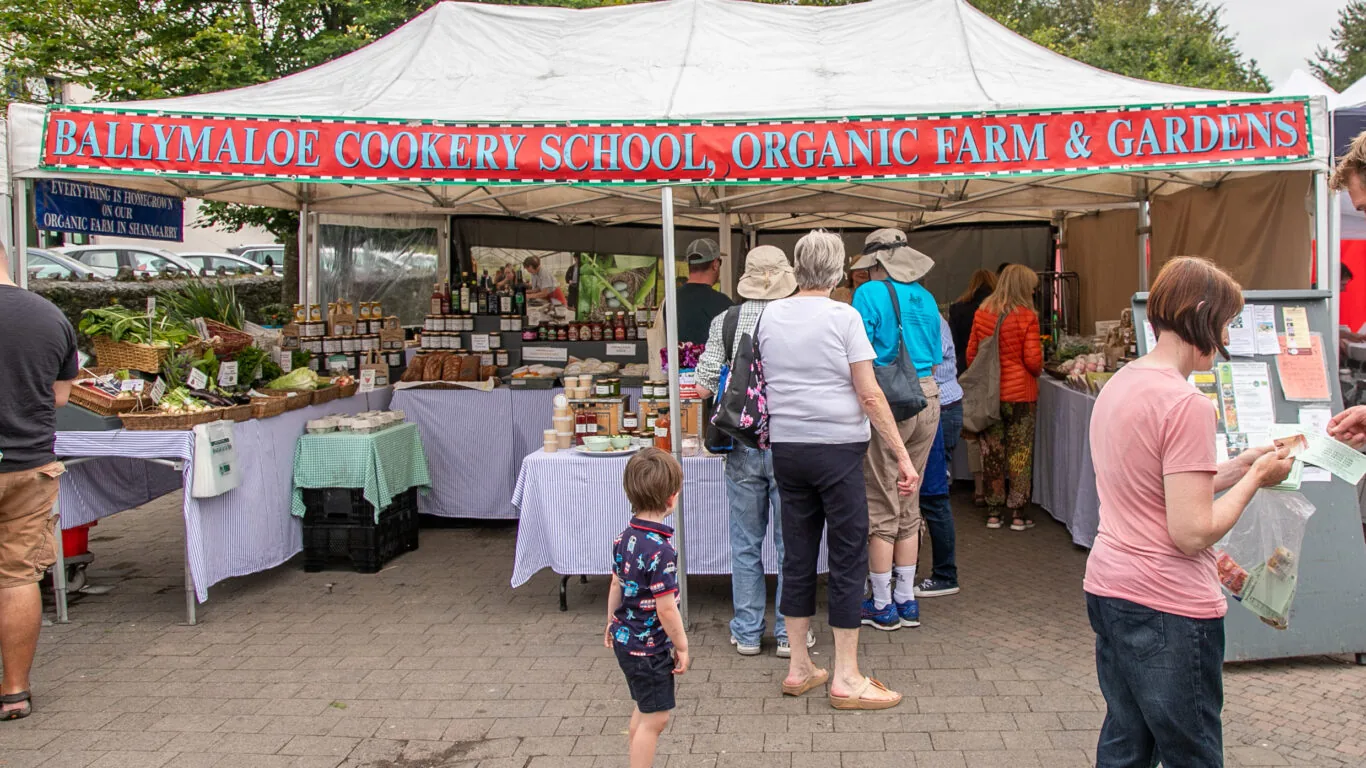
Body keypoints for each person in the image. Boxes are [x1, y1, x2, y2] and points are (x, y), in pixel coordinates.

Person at [1084, 256, 1293, 767]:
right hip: (1168, 606)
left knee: (1125, 742)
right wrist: (1254, 480)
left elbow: (1157, 483)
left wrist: (1236, 465)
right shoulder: (1186, 404)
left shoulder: (1123, 383)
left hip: (1111, 587)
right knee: (1192, 752)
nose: (1224, 337)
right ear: (1201, 315)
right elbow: (1192, 531)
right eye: (1223, 323)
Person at [758, 230, 917, 711]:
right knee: (848, 556)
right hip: (838, 449)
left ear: (798, 266)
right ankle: (846, 676)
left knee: (797, 554)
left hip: (787, 448)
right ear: (836, 271)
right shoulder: (843, 316)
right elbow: (869, 394)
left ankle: (799, 666)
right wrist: (901, 455)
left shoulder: (770, 313)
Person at [695, 245, 805, 658]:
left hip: (741, 444)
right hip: (789, 441)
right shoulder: (797, 318)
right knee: (790, 544)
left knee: (745, 542)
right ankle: (785, 636)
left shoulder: (726, 320)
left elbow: (704, 387)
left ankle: (745, 632)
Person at [0, 243, 79, 721]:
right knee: (17, 577)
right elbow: (61, 396)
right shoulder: (49, 315)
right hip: (29, 465)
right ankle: (14, 691)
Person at [849, 229, 942, 631]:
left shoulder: (869, 294)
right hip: (929, 397)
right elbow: (935, 355)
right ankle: (907, 600)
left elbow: (858, 352)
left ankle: (882, 604)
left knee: (881, 500)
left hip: (890, 400)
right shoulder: (927, 297)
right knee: (909, 498)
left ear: (876, 263)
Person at [604, 448, 690, 768]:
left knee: (643, 708)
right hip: (648, 648)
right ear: (671, 498)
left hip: (626, 640)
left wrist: (611, 621)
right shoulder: (662, 551)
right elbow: (667, 609)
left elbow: (616, 584)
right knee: (656, 720)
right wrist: (682, 645)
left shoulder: (623, 538)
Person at [967, 264, 1043, 531]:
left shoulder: (982, 313)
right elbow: (1033, 361)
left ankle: (993, 512)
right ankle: (1018, 514)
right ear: (1024, 287)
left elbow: (971, 356)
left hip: (990, 396)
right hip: (1021, 396)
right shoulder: (1027, 316)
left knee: (992, 453)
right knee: (1020, 454)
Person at [916, 317, 963, 598]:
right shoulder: (924, 311)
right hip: (938, 407)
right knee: (927, 495)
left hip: (940, 408)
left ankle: (945, 574)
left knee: (933, 496)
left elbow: (931, 359)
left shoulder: (927, 315)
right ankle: (909, 568)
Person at [950, 269, 996, 506]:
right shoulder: (999, 311)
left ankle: (978, 487)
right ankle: (995, 488)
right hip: (993, 376)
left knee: (972, 432)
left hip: (966, 372)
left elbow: (958, 345)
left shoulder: (958, 308)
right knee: (994, 433)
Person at [672, 238, 733, 346]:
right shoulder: (723, 304)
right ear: (715, 264)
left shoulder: (670, 300)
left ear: (689, 265)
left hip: (675, 363)